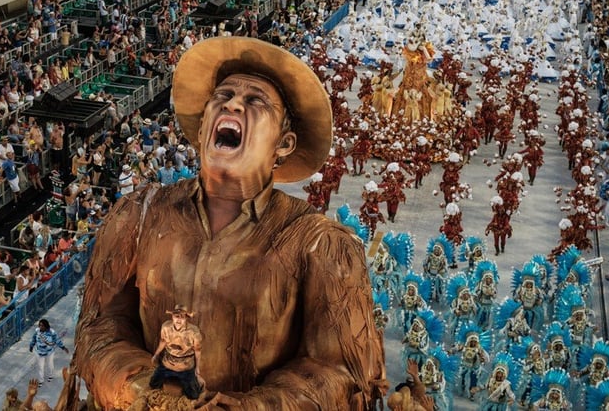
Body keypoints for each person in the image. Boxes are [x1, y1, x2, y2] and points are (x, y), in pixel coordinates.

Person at [58, 37, 386, 410]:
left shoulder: (320, 244)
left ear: (284, 143)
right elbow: (99, 327)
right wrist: (140, 387)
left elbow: (336, 371)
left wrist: (247, 407)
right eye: (223, 96)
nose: (232, 103)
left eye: (256, 101)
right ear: (202, 129)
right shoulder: (138, 214)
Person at [29, 318, 69, 385]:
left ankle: (50, 375)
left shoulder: (52, 332)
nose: (41, 327)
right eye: (40, 325)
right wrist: (31, 346)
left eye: (42, 325)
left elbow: (57, 340)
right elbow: (33, 339)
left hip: (49, 353)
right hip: (39, 352)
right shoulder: (37, 331)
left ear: (46, 326)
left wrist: (63, 347)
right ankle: (41, 381)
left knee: (50, 365)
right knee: (40, 367)